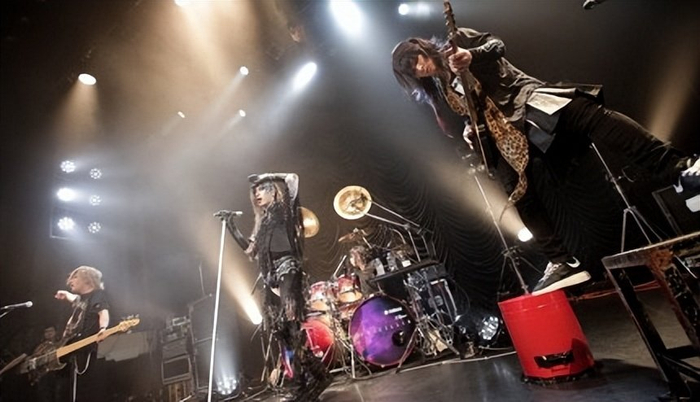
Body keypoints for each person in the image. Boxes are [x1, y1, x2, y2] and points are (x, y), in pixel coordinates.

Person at [392, 28, 700, 296]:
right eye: (411, 71)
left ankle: (679, 168)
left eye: (414, 60)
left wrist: (472, 55)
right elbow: (470, 112)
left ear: (421, 48)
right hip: (506, 138)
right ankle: (562, 262)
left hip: (527, 102)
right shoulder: (441, 89)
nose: (418, 68)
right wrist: (469, 128)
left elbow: (497, 45)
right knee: (521, 197)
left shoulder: (456, 40)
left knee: (591, 117)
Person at [221, 173, 331, 402]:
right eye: (255, 191)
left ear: (273, 191)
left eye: (262, 189)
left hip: (288, 269)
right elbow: (250, 251)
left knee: (291, 324)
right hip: (271, 278)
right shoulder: (261, 223)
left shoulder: (284, 209)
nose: (257, 194)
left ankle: (300, 384)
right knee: (281, 331)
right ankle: (319, 375)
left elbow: (292, 178)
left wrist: (268, 176)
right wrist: (231, 226)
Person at [55, 266, 110, 400]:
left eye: (75, 277)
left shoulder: (97, 295)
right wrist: (66, 295)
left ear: (88, 280)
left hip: (83, 348)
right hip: (70, 347)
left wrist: (103, 328)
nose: (70, 281)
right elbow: (75, 299)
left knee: (80, 389)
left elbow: (103, 312)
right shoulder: (81, 299)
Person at [31, 325, 68, 402]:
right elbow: (35, 360)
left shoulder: (60, 342)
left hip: (60, 374)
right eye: (46, 332)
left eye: (51, 331)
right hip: (45, 375)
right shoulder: (41, 347)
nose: (49, 333)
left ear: (55, 332)